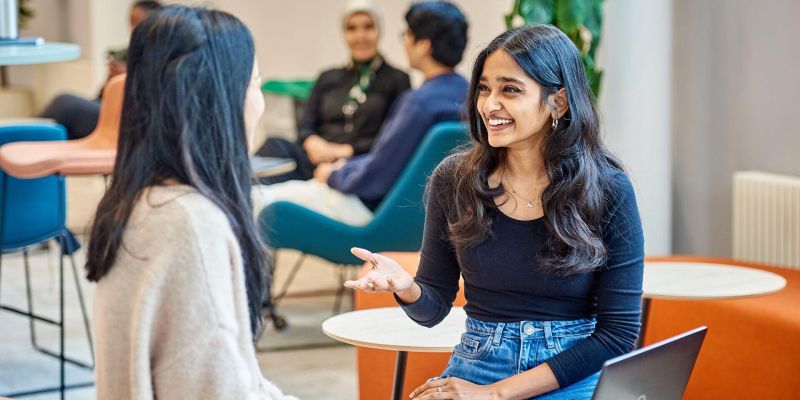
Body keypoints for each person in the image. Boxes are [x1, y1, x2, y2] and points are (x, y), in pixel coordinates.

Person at [346, 24, 645, 400]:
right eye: (484, 88)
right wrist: (405, 287)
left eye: (510, 90)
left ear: (559, 102)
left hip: (572, 373)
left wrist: (494, 394)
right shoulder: (454, 180)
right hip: (477, 364)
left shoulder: (607, 188)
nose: (489, 105)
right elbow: (434, 308)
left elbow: (617, 335)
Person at [85, 6, 295, 399]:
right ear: (221, 102)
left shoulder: (134, 204)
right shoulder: (191, 224)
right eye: (255, 84)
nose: (259, 103)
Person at [253, 0, 469, 226]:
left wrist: (334, 175)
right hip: (410, 209)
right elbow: (387, 157)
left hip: (368, 205)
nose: (405, 43)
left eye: (407, 35)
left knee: (257, 199)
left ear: (423, 45)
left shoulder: (418, 103)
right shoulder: (466, 94)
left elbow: (379, 171)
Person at [254, 0, 410, 184]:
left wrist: (348, 150)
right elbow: (306, 124)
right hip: (314, 160)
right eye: (352, 28)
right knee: (274, 147)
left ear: (379, 31)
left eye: (368, 27)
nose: (361, 36)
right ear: (344, 34)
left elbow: (397, 135)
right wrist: (312, 142)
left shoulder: (397, 79)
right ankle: (233, 202)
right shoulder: (328, 78)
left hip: (359, 162)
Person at [37, 0, 162, 140]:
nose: (133, 29)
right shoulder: (125, 53)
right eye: (132, 22)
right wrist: (111, 81)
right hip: (108, 106)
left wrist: (126, 78)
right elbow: (101, 97)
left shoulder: (161, 57)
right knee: (66, 117)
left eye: (139, 24)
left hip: (128, 117)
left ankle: (21, 140)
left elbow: (153, 103)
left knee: (66, 105)